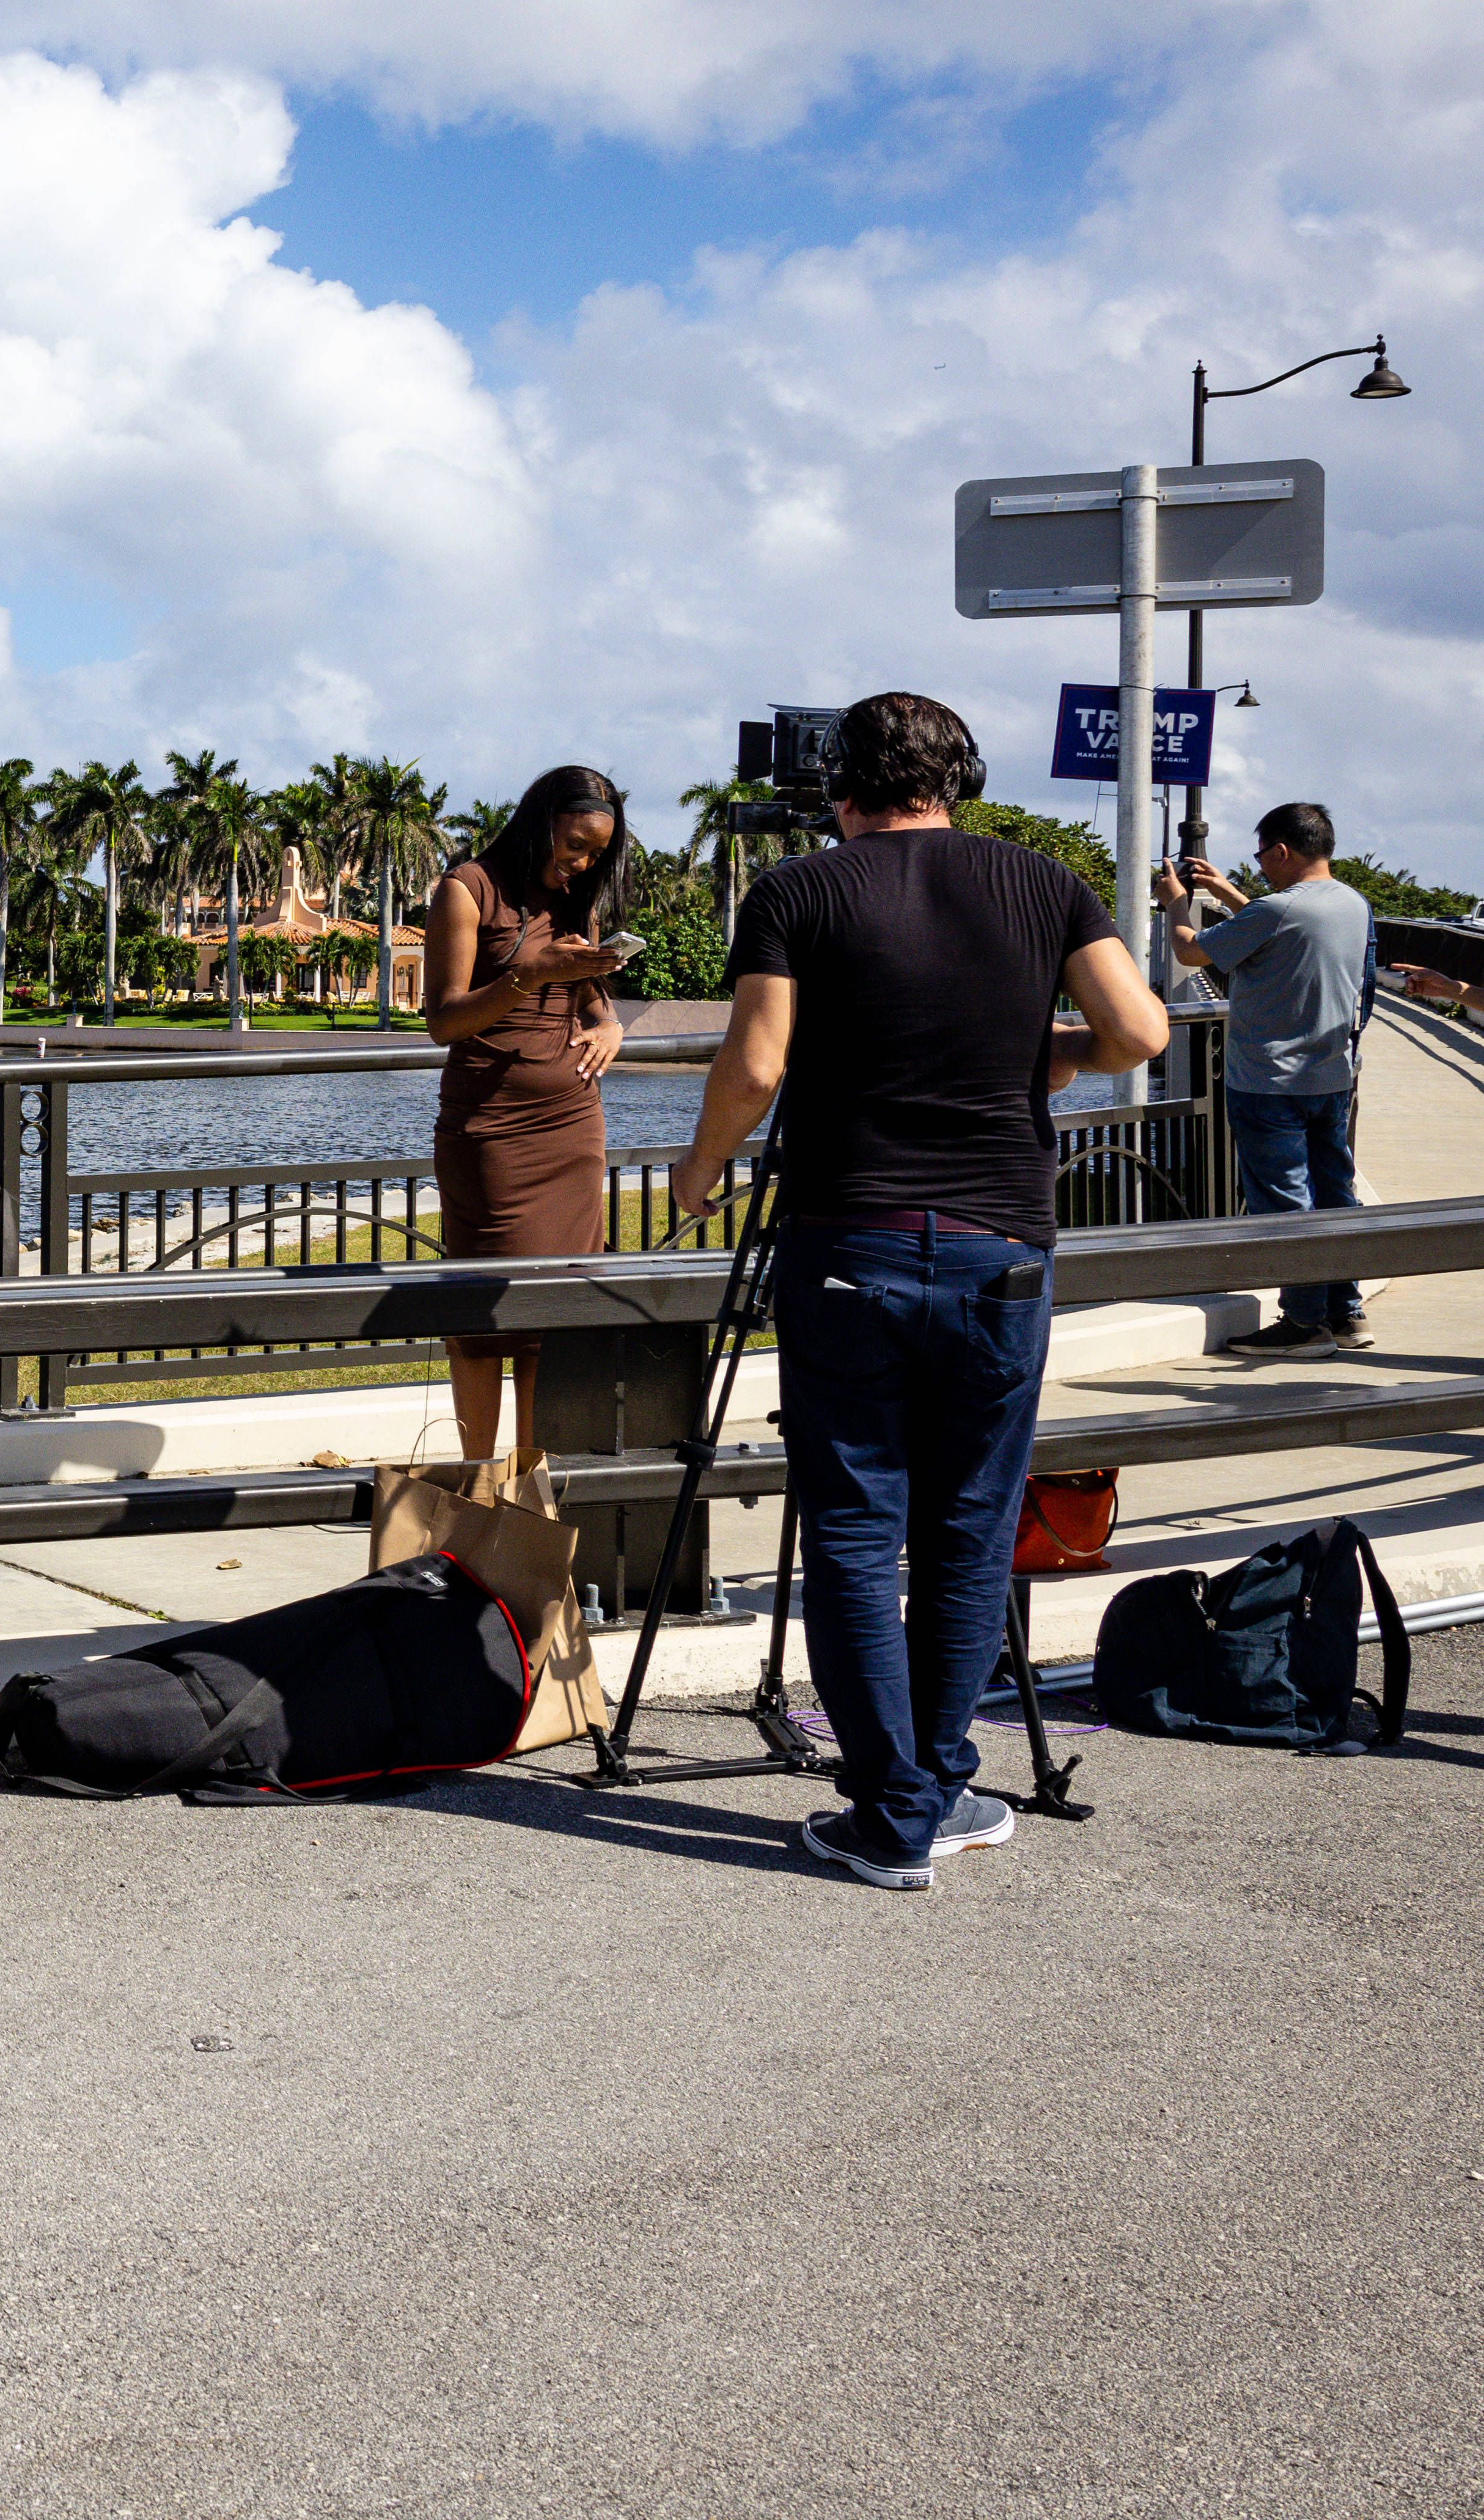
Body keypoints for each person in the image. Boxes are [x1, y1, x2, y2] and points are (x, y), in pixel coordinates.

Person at [673, 693, 1168, 1892]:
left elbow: (753, 1063)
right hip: (1001, 1243)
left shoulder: (797, 891)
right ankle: (937, 1785)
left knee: (852, 1522)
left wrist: (696, 1173)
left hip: (851, 1237)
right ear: (961, 779)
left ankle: (890, 1808)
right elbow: (1139, 1030)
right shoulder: (1038, 881)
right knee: (966, 1522)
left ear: (840, 784)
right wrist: (1048, 1053)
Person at [421, 766, 635, 1459]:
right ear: (541, 823)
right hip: (490, 1129)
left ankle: (535, 1488)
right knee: (482, 1316)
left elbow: (592, 999)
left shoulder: (575, 901)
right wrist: (529, 975)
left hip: (572, 1129)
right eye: (574, 845)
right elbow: (445, 1021)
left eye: (595, 855)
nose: (580, 863)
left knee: (556, 1319)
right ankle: (479, 1482)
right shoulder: (466, 889)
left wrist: (609, 1026)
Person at [1161, 803, 1377, 1357]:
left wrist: (1177, 904)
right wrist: (1230, 891)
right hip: (1330, 1079)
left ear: (1282, 850)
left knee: (1285, 1205)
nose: (1260, 867)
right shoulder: (1352, 903)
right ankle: (1346, 1312)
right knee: (1333, 1197)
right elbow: (1280, 923)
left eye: (1262, 856)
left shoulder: (1277, 909)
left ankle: (1303, 1324)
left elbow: (1190, 951)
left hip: (1268, 1082)